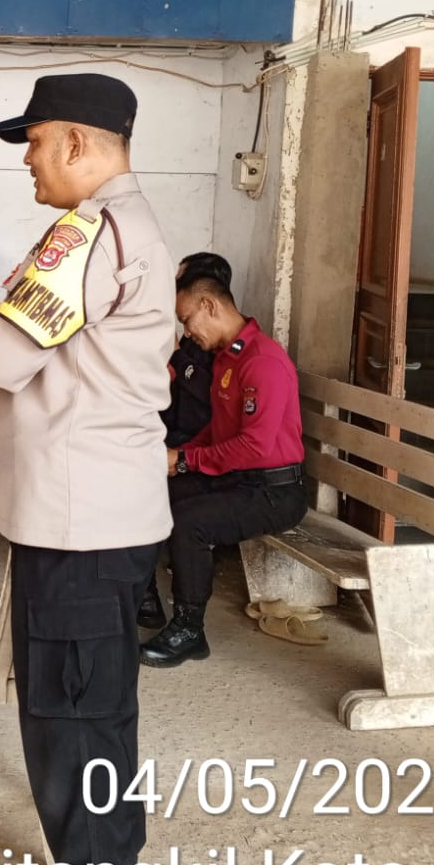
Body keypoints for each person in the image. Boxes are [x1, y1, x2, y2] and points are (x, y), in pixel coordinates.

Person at [0, 73, 174, 865]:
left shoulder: (84, 233)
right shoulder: (129, 227)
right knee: (95, 705)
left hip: (78, 522)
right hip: (100, 509)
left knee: (70, 711)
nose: (28, 159)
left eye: (34, 141)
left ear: (74, 141)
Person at [139, 268, 306, 669]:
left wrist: (185, 461)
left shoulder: (262, 360)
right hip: (240, 480)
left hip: (275, 492)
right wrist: (177, 457)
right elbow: (217, 431)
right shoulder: (228, 358)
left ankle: (189, 630)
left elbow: (254, 446)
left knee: (189, 522)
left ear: (209, 305)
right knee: (155, 494)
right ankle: (141, 597)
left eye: (186, 320)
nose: (186, 332)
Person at [137, 251, 234, 628]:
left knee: (145, 491)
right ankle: (139, 588)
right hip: (173, 440)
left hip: (197, 451)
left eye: (180, 282)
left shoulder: (224, 349)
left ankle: (145, 592)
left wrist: (179, 458)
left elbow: (217, 417)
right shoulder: (194, 340)